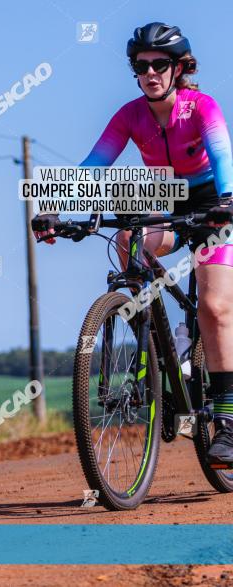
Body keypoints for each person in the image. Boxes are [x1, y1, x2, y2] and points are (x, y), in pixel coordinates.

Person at [35, 22, 233, 463]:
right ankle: (157, 339)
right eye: (141, 66)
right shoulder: (130, 115)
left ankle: (228, 420)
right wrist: (53, 207)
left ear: (179, 68)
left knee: (215, 306)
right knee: (128, 238)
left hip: (211, 203)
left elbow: (222, 153)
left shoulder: (201, 106)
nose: (150, 73)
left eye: (160, 65)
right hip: (164, 196)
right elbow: (94, 164)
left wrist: (227, 200)